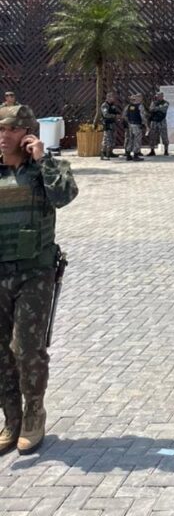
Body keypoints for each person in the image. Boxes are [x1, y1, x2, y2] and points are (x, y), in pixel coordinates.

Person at [0, 104, 78, 454]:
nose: (4, 137)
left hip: (34, 273)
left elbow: (64, 196)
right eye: (0, 131)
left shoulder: (46, 169)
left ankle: (34, 414)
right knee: (1, 352)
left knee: (27, 349)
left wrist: (43, 157)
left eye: (11, 131)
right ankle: (11, 419)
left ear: (28, 134)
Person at [122, 94, 148, 161]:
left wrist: (129, 122)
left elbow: (124, 116)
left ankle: (128, 155)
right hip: (137, 125)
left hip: (130, 125)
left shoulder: (129, 106)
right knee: (137, 140)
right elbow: (143, 117)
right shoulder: (140, 106)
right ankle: (136, 155)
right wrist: (146, 126)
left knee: (130, 140)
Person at [147, 91, 170, 157]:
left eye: (160, 96)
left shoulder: (166, 103)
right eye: (158, 96)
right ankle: (152, 151)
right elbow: (151, 109)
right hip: (154, 121)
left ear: (162, 96)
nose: (159, 97)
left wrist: (156, 108)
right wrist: (158, 108)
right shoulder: (153, 102)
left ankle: (166, 151)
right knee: (152, 136)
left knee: (164, 136)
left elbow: (164, 109)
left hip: (162, 121)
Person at [99, 91, 121, 160]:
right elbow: (106, 115)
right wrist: (115, 116)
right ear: (108, 97)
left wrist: (118, 115)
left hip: (113, 124)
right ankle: (104, 154)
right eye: (112, 97)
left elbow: (115, 112)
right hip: (107, 124)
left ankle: (110, 152)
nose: (114, 98)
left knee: (112, 139)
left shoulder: (112, 105)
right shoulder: (105, 105)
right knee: (107, 140)